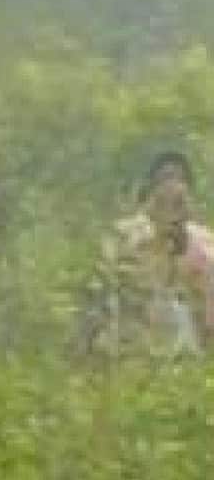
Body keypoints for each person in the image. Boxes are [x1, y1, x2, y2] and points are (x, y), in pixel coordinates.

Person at [93, 151, 214, 358]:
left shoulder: (204, 245)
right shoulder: (126, 235)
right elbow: (110, 288)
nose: (172, 187)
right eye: (164, 179)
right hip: (134, 342)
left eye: (179, 179)